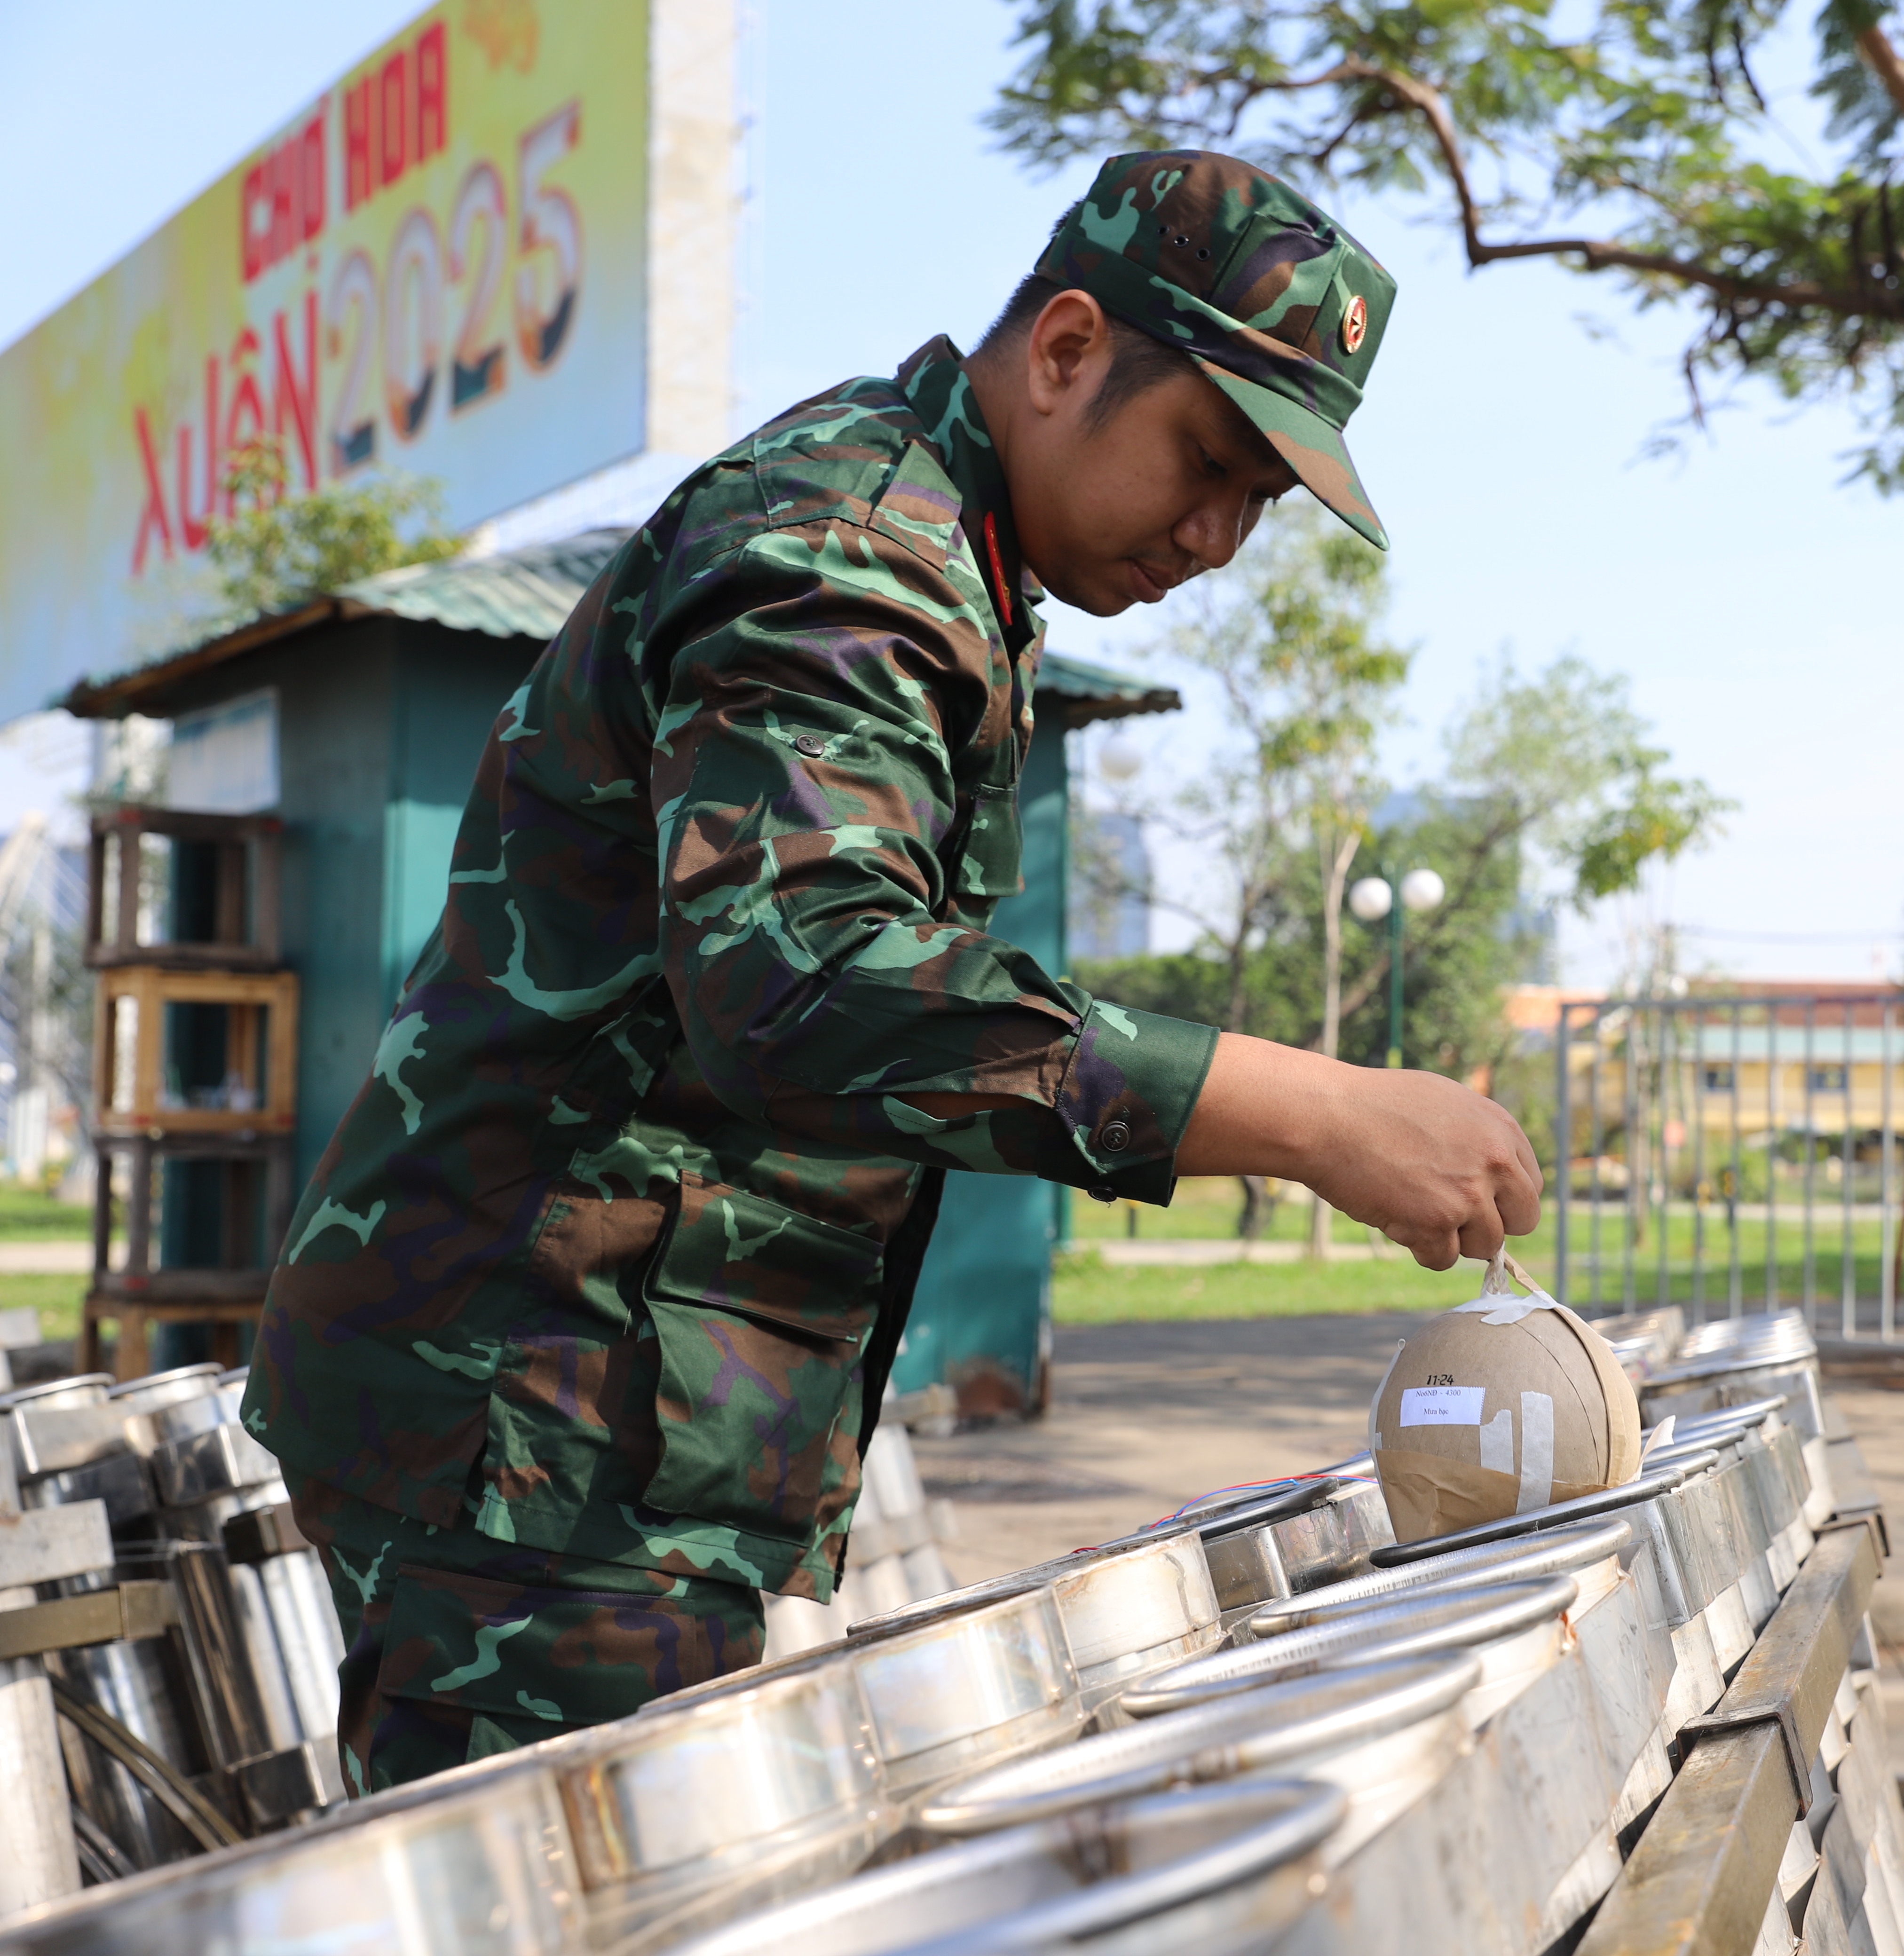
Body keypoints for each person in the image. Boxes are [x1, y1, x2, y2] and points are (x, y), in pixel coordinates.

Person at [239, 149, 1540, 1792]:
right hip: (529, 1424)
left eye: (1262, 502)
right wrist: (1313, 1110)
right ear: (1067, 350)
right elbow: (807, 984)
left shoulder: (957, 555)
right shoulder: (845, 556)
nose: (1217, 537)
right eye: (1207, 458)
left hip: (601, 1420)